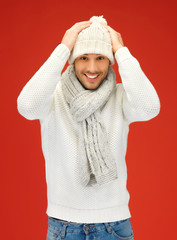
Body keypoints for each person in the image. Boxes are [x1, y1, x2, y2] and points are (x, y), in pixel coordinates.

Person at [17, 15, 160, 240]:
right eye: (83, 57)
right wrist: (63, 48)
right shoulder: (54, 96)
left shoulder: (120, 97)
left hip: (114, 226)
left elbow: (150, 107)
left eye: (101, 58)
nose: (92, 68)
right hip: (63, 226)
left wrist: (121, 51)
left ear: (110, 61)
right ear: (72, 60)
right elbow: (26, 106)